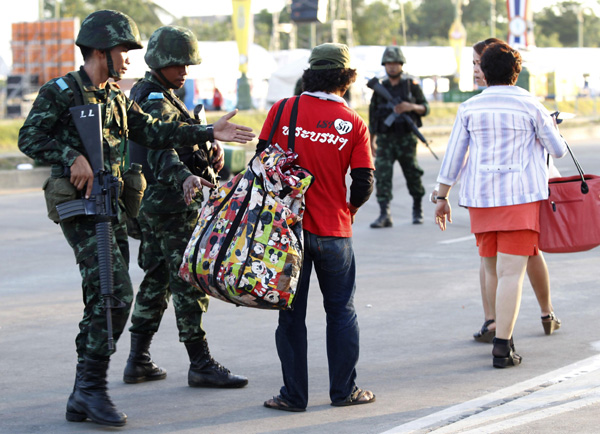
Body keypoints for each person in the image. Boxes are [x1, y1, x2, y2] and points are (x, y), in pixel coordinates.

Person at [18, 10, 254, 427]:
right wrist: (70, 155)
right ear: (98, 51)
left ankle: (85, 394)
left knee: (109, 296)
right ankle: (91, 391)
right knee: (114, 294)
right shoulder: (61, 91)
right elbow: (29, 137)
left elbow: (154, 133)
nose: (129, 59)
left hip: (110, 203)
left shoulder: (115, 97)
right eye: (123, 51)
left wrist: (206, 132)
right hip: (80, 205)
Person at [123, 25, 248, 389]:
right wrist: (184, 176)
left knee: (157, 280)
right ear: (160, 63)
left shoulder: (160, 94)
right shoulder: (155, 101)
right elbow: (159, 150)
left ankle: (138, 360)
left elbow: (176, 141)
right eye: (178, 65)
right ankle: (200, 363)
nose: (184, 72)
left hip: (158, 205)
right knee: (186, 281)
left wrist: (206, 146)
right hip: (170, 207)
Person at [434, 41, 567, 368]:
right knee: (512, 273)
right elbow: (558, 150)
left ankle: (492, 322)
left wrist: (442, 197)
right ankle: (503, 346)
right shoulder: (531, 105)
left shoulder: (469, 107)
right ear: (516, 72)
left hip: (480, 198)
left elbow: (453, 156)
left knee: (491, 266)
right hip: (519, 197)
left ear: (484, 71)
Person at [257, 43, 376, 411]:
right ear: (346, 78)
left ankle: (294, 396)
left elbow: (261, 162)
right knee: (341, 312)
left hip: (288, 233)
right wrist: (349, 208)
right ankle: (344, 392)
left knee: (291, 315)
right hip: (335, 231)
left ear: (309, 74)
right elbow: (364, 183)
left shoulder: (282, 110)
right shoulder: (353, 123)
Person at [369, 46, 429, 227]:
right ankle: (384, 214)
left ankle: (417, 209)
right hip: (385, 140)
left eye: (395, 63)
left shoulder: (411, 86)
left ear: (401, 64)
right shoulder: (380, 88)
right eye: (388, 64)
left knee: (412, 174)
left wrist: (410, 107)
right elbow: (373, 116)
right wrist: (371, 141)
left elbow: (425, 108)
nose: (392, 67)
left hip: (406, 139)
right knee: (382, 175)